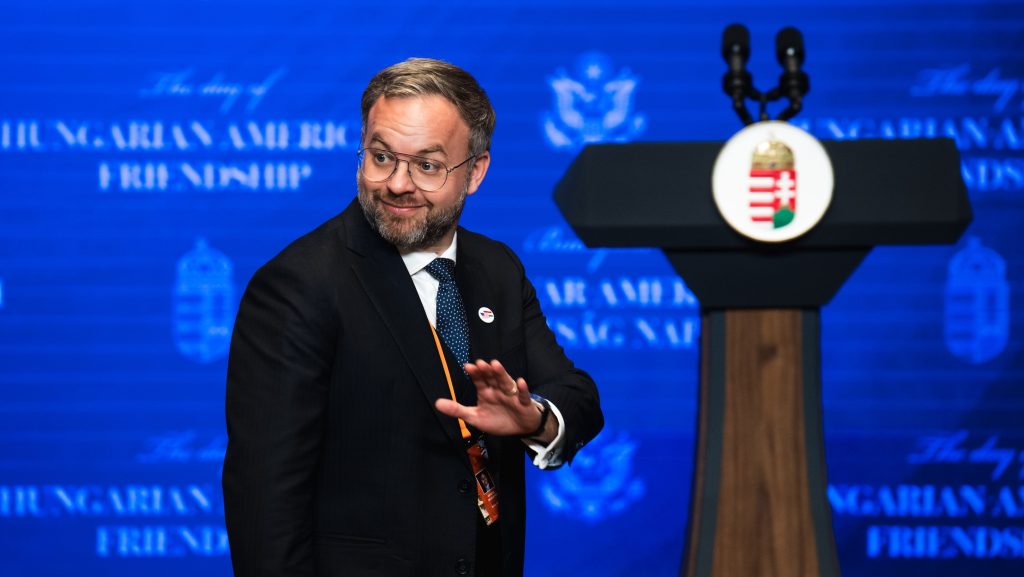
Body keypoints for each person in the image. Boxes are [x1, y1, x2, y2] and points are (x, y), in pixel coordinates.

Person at [222, 57, 603, 577]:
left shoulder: (497, 268)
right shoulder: (299, 285)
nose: (398, 183)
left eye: (427, 165)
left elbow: (578, 397)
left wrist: (533, 418)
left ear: (475, 172)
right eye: (381, 157)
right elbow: (266, 507)